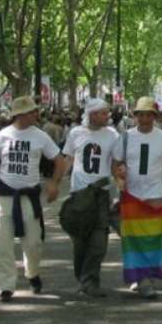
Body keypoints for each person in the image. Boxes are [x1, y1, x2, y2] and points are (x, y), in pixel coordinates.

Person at [0, 96, 66, 303]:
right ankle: (6, 285)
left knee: (34, 243)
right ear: (20, 115)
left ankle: (32, 273)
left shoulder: (40, 136)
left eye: (36, 111)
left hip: (28, 197)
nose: (36, 114)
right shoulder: (2, 136)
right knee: (2, 245)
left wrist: (54, 183)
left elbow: (60, 162)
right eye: (32, 111)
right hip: (5, 196)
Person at [112, 97, 162, 299]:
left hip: (154, 194)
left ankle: (145, 277)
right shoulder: (125, 137)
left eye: (148, 114)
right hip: (131, 195)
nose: (144, 118)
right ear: (135, 116)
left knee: (151, 236)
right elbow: (115, 164)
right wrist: (119, 177)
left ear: (154, 116)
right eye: (140, 114)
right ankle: (139, 278)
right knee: (132, 238)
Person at [61, 99, 119, 297]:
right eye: (103, 113)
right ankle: (83, 279)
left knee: (99, 240)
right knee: (80, 240)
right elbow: (68, 159)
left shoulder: (112, 135)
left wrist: (120, 185)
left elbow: (116, 163)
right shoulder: (76, 133)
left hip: (101, 193)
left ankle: (90, 280)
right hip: (79, 193)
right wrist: (54, 182)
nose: (107, 116)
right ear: (92, 114)